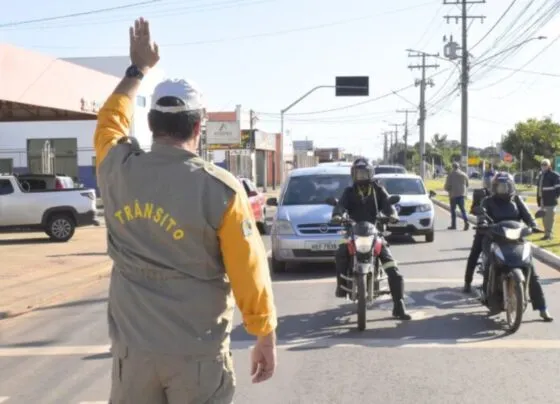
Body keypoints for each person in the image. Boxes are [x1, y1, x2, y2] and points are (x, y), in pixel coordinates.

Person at [94, 18, 277, 403]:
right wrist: (264, 332)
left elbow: (110, 119)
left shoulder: (116, 167)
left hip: (132, 358)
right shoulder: (220, 190)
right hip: (197, 358)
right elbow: (249, 271)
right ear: (199, 126)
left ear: (151, 122)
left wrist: (137, 69)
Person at [463, 172, 553, 322]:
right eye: (500, 187)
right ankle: (469, 282)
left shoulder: (517, 200)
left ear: (511, 186)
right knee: (481, 258)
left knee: (531, 269)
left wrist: (533, 224)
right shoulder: (487, 201)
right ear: (494, 187)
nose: (503, 190)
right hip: (492, 236)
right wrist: (483, 223)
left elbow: (528, 216)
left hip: (516, 238)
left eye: (506, 186)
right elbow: (482, 215)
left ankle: (543, 308)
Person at [331, 158, 411, 320]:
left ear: (371, 173)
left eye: (364, 173)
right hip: (352, 233)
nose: (361, 176)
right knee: (340, 252)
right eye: (358, 173)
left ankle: (399, 305)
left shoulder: (378, 190)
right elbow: (340, 206)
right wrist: (337, 215)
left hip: (375, 233)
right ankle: (341, 286)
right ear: (353, 174)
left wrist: (392, 215)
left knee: (392, 267)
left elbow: (389, 205)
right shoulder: (349, 191)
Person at [536, 158, 560, 240]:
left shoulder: (554, 175)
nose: (543, 166)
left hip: (550, 200)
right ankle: (546, 234)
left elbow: (558, 189)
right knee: (544, 218)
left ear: (549, 165)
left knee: (549, 218)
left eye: (545, 164)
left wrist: (555, 197)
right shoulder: (541, 175)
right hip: (542, 200)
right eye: (542, 164)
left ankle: (549, 235)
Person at [444, 162, 470, 230]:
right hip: (461, 195)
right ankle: (466, 221)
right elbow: (467, 184)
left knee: (453, 211)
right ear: (459, 167)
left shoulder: (450, 175)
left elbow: (447, 186)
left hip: (453, 195)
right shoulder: (464, 174)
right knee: (463, 210)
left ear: (453, 167)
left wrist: (447, 189)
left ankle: (454, 225)